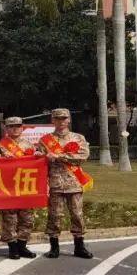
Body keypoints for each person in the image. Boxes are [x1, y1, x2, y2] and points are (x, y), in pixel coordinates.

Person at [38, 108, 93, 259]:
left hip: (74, 183)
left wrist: (58, 156)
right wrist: (41, 156)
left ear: (69, 120)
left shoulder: (78, 138)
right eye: (57, 118)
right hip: (55, 183)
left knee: (77, 215)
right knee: (54, 215)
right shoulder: (45, 140)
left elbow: (83, 156)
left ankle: (79, 247)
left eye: (64, 118)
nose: (61, 121)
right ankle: (54, 247)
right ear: (53, 120)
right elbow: (40, 160)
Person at [0, 117, 38, 260]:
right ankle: (12, 248)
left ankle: (22, 246)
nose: (15, 129)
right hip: (7, 187)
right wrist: (2, 160)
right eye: (11, 126)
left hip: (25, 186)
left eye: (18, 126)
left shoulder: (29, 145)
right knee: (9, 219)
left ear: (22, 127)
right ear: (6, 128)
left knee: (27, 218)